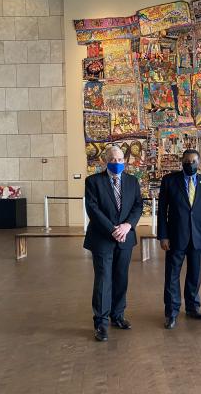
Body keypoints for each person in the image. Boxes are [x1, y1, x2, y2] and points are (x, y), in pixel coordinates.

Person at [84, 145, 143, 342]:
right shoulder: (93, 181)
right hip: (102, 239)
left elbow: (138, 205)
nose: (116, 163)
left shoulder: (133, 181)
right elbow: (93, 209)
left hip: (125, 238)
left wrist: (127, 226)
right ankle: (101, 322)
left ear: (124, 161)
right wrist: (112, 229)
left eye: (119, 160)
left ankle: (117, 316)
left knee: (121, 278)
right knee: (103, 280)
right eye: (112, 159)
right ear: (104, 161)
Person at [158, 149, 201, 329]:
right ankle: (172, 312)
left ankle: (192, 307)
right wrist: (163, 235)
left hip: (198, 237)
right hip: (175, 236)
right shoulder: (169, 181)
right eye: (186, 161)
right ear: (181, 161)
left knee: (195, 275)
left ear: (199, 163)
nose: (190, 164)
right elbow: (162, 211)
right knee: (172, 276)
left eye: (193, 161)